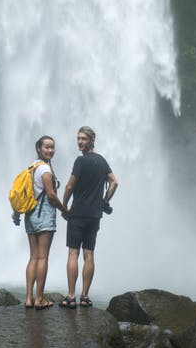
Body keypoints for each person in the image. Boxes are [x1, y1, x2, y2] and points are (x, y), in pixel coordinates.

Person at [59, 125, 118, 308]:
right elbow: (114, 182)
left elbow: (69, 186)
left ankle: (71, 296)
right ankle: (85, 296)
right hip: (94, 215)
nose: (79, 142)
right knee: (89, 254)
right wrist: (104, 201)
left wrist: (64, 206)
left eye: (83, 139)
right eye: (78, 139)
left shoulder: (80, 161)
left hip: (77, 213)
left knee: (73, 253)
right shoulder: (101, 161)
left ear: (92, 140)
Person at [21, 135, 68, 310]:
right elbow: (51, 195)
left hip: (31, 215)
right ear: (39, 149)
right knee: (42, 257)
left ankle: (28, 298)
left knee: (33, 256)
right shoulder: (45, 170)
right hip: (44, 216)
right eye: (47, 147)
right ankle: (39, 299)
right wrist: (64, 210)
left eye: (52, 147)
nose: (50, 150)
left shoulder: (32, 168)